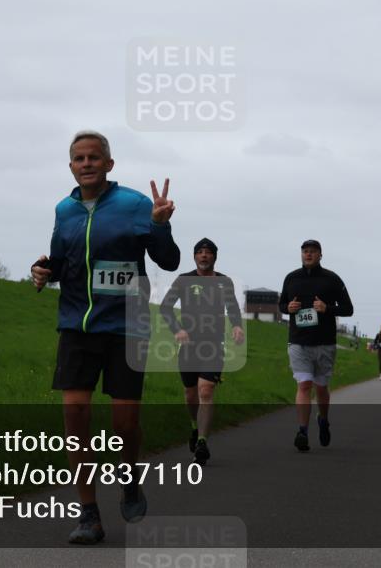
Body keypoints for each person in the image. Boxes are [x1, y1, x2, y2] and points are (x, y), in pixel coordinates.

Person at [31, 130, 180, 544]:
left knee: (125, 424)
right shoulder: (65, 210)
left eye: (94, 157)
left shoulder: (134, 204)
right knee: (75, 418)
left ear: (109, 164)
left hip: (127, 327)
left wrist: (160, 226)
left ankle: (129, 478)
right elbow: (62, 263)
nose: (86, 163)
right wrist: (42, 270)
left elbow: (168, 259)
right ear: (71, 166)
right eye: (78, 158)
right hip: (77, 327)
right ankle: (88, 513)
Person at [159, 238, 245, 466]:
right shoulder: (184, 280)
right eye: (200, 252)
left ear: (215, 257)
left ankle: (203, 442)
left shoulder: (224, 282)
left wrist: (237, 325)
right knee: (190, 394)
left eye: (208, 252)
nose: (204, 255)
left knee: (205, 390)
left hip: (213, 346)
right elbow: (165, 308)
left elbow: (233, 307)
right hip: (188, 346)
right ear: (195, 256)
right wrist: (177, 330)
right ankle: (195, 428)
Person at [278, 239, 354, 451]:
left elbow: (348, 309)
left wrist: (327, 308)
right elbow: (281, 304)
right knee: (304, 385)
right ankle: (302, 431)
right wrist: (288, 307)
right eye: (305, 252)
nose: (308, 255)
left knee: (321, 387)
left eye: (312, 252)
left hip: (324, 342)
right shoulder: (291, 278)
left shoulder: (332, 279)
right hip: (298, 341)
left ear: (321, 255)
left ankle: (323, 419)